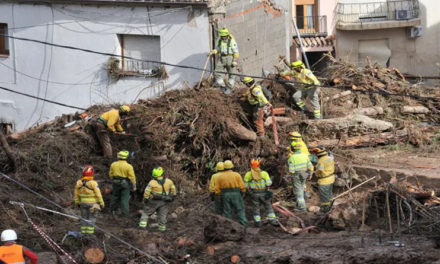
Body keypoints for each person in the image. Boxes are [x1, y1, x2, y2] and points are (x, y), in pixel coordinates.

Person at [139, 167, 177, 232]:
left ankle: (142, 226)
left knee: (147, 213)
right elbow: (174, 191)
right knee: (162, 214)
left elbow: (146, 192)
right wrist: (172, 196)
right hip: (164, 201)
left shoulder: (152, 182)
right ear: (162, 173)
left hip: (153, 201)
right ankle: (162, 229)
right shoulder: (169, 181)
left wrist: (145, 199)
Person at [244, 158, 279, 227]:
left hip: (254, 194)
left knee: (256, 208)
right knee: (268, 207)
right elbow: (269, 184)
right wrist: (270, 180)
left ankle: (257, 223)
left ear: (250, 165)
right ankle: (273, 221)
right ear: (259, 165)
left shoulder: (248, 174)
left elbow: (245, 186)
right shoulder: (264, 173)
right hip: (264, 193)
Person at [215, 160, 248, 227]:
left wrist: (219, 195)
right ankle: (244, 225)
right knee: (240, 209)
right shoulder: (237, 175)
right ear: (232, 167)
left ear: (224, 167)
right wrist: (243, 192)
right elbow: (242, 186)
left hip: (225, 195)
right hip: (236, 194)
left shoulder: (220, 176)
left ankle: (230, 227)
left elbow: (217, 188)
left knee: (227, 211)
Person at [74, 165, 104, 235]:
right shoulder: (94, 183)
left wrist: (77, 202)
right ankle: (90, 235)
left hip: (83, 204)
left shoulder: (78, 182)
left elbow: (76, 194)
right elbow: (98, 194)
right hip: (94, 204)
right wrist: (102, 203)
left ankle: (83, 234)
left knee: (84, 218)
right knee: (92, 218)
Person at [209, 28, 239, 94]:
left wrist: (235, 60)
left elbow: (236, 52)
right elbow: (217, 49)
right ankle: (222, 86)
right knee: (217, 72)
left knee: (232, 74)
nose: (223, 37)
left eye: (224, 36)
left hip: (230, 57)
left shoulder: (231, 41)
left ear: (227, 35)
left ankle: (229, 89)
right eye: (222, 36)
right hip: (222, 57)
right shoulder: (219, 40)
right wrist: (213, 51)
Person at [287, 143, 314, 212]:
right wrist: (310, 173)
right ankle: (299, 204)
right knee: (302, 187)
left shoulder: (292, 157)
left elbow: (291, 170)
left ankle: (302, 207)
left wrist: (290, 176)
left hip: (296, 175)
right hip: (304, 174)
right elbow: (310, 165)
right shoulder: (305, 155)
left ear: (293, 149)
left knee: (298, 191)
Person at [109, 150, 136, 216]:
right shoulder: (129, 166)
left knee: (115, 196)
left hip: (116, 182)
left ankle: (112, 210)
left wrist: (113, 180)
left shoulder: (113, 164)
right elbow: (132, 177)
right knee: (124, 199)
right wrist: (134, 186)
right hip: (125, 184)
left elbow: (110, 174)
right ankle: (124, 213)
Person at [312, 146, 335, 213]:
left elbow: (320, 169)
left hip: (324, 180)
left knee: (324, 196)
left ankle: (325, 210)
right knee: (329, 194)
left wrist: (316, 173)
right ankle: (331, 207)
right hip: (331, 178)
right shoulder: (330, 158)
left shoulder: (321, 160)